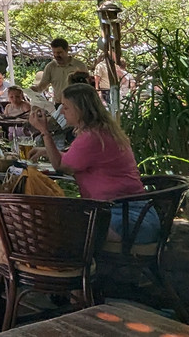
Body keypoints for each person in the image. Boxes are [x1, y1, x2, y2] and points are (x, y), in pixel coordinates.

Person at [27, 82, 156, 243]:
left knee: (47, 224)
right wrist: (47, 151)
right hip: (135, 211)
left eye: (66, 107)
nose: (61, 111)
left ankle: (73, 267)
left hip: (125, 219)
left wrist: (44, 132)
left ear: (80, 109)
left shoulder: (92, 136)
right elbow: (76, 159)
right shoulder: (102, 130)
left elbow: (61, 165)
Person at [30, 38, 89, 106]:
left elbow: (87, 86)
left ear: (66, 50)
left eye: (59, 52)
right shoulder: (50, 67)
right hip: (59, 104)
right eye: (54, 52)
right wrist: (31, 90)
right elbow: (42, 86)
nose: (56, 55)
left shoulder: (79, 65)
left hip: (77, 104)